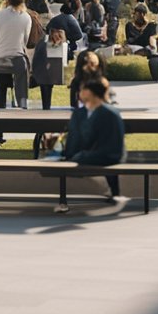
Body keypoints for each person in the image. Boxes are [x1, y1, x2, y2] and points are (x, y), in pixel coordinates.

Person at [57, 77, 126, 213]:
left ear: (90, 92)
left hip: (108, 154)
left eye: (83, 89)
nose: (79, 92)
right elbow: (76, 136)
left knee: (69, 159)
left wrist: (76, 154)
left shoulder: (108, 113)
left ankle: (115, 192)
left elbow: (108, 144)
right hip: (91, 151)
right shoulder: (81, 112)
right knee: (62, 157)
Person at [0, 0, 33, 147]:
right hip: (17, 60)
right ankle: (24, 118)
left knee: (1, 99)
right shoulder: (26, 18)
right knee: (22, 92)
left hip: (0, 60)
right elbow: (25, 40)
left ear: (7, 0)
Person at [31, 27, 68, 110]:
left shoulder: (42, 43)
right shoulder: (45, 45)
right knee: (46, 86)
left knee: (46, 89)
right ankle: (46, 107)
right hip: (44, 73)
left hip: (43, 73)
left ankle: (46, 107)